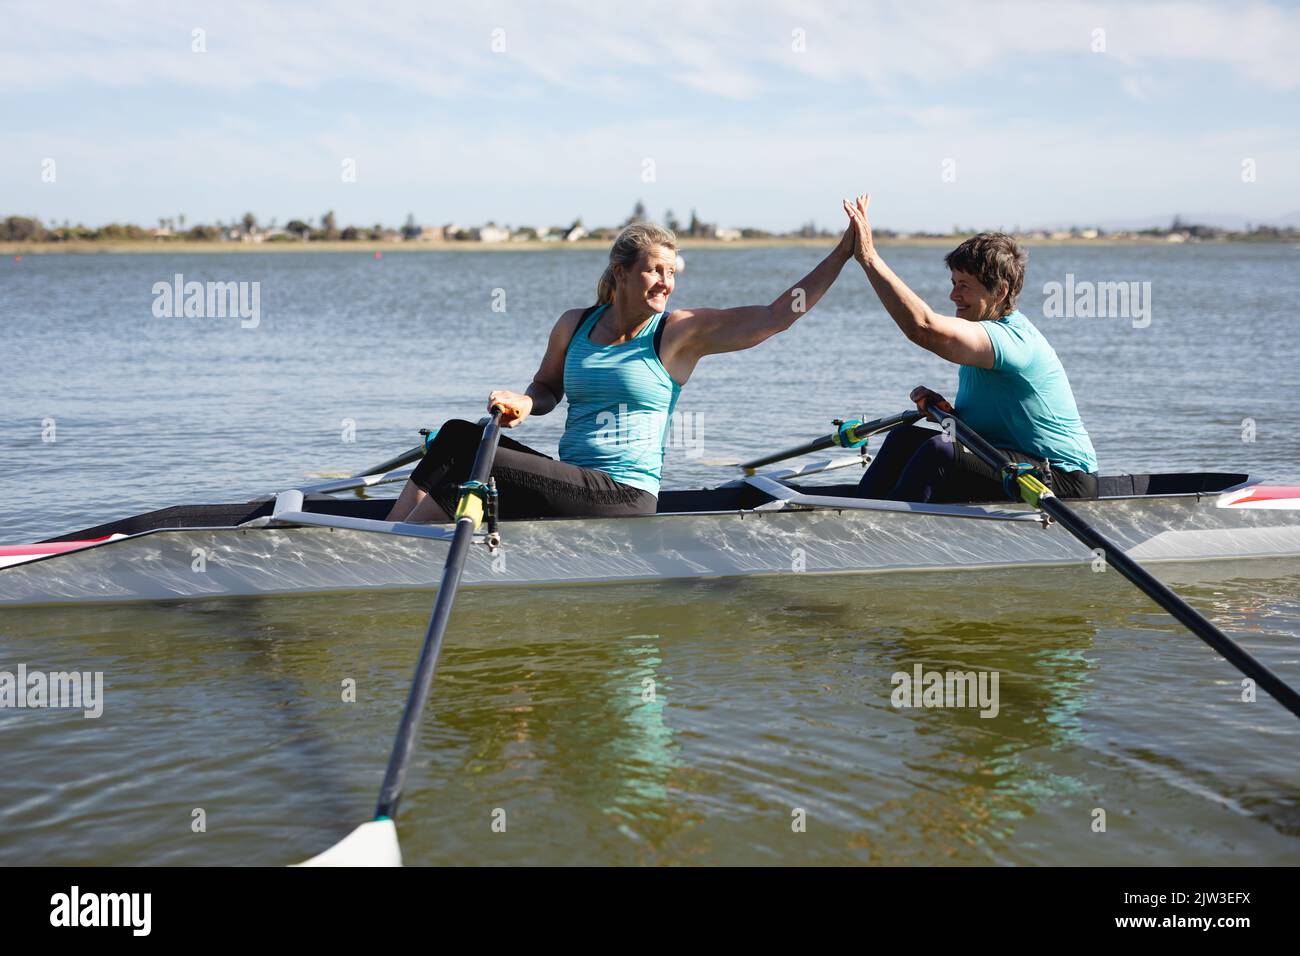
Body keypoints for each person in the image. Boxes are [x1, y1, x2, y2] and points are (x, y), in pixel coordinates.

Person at [387, 218, 856, 522]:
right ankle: (387, 536)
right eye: (655, 271)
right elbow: (547, 386)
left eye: (671, 273)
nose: (666, 283)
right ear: (622, 272)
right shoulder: (575, 323)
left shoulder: (677, 333)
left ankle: (393, 552)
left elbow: (774, 316)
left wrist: (842, 254)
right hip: (572, 480)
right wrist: (525, 403)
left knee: (479, 459)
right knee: (455, 436)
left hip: (625, 495)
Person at [839, 194, 1098, 504]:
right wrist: (952, 416)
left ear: (1000, 292)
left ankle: (880, 534)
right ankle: (858, 514)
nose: (953, 295)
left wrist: (869, 258)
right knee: (904, 438)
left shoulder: (1014, 341)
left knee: (940, 451)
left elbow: (925, 329)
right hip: (1013, 464)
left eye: (964, 285)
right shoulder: (981, 335)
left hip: (1061, 479)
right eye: (953, 282)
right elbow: (995, 427)